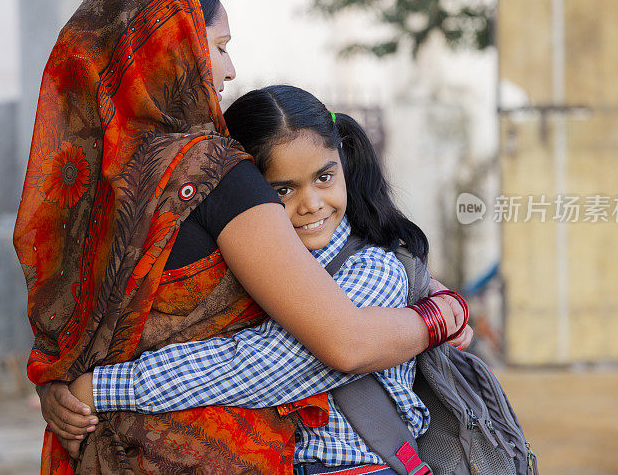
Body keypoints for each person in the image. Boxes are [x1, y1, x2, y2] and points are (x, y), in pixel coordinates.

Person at [18, 0, 466, 474]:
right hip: (212, 452)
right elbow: (336, 344)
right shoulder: (215, 173)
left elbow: (68, 330)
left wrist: (62, 386)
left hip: (107, 451)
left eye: (323, 178)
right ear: (173, 48)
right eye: (220, 46)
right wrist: (444, 311)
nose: (230, 70)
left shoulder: (83, 192)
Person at [58, 85, 471, 474]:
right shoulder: (252, 272)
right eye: (283, 191)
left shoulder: (373, 271)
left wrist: (104, 387)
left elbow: (258, 366)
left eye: (324, 178)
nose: (310, 205)